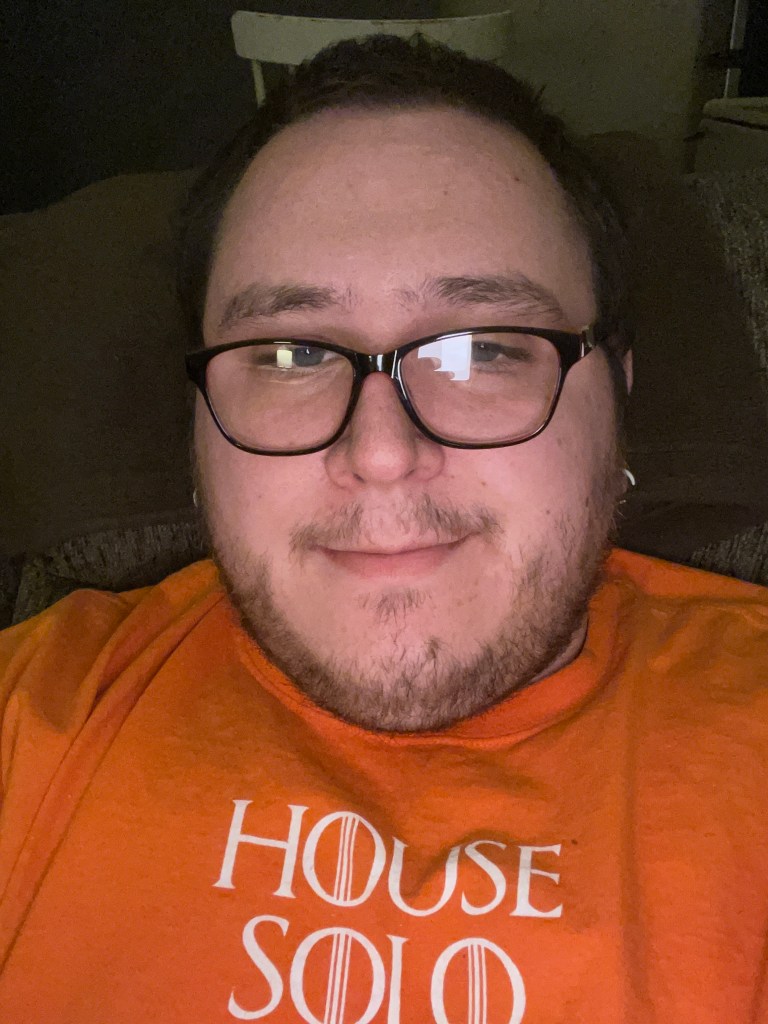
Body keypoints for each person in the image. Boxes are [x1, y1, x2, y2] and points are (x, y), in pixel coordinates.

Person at [1, 35, 767, 1024]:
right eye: (290, 354)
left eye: (483, 348)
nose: (380, 453)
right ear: (197, 423)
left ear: (616, 398)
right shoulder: (36, 717)